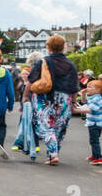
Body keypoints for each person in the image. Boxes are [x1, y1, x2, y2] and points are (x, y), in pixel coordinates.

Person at [27, 35, 80, 165]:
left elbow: (31, 80)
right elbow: (74, 87)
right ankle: (52, 155)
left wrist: (24, 96)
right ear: (63, 47)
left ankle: (53, 154)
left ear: (48, 48)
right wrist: (73, 102)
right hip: (65, 98)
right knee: (59, 127)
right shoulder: (70, 65)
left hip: (45, 97)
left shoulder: (43, 62)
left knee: (45, 125)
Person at [74, 78, 102, 164]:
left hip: (96, 123)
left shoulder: (97, 98)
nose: (87, 88)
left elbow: (90, 110)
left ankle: (98, 158)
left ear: (98, 90)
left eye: (90, 87)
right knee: (93, 140)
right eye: (87, 86)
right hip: (94, 122)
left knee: (94, 141)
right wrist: (83, 94)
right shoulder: (93, 97)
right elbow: (84, 101)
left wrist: (76, 111)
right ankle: (95, 155)